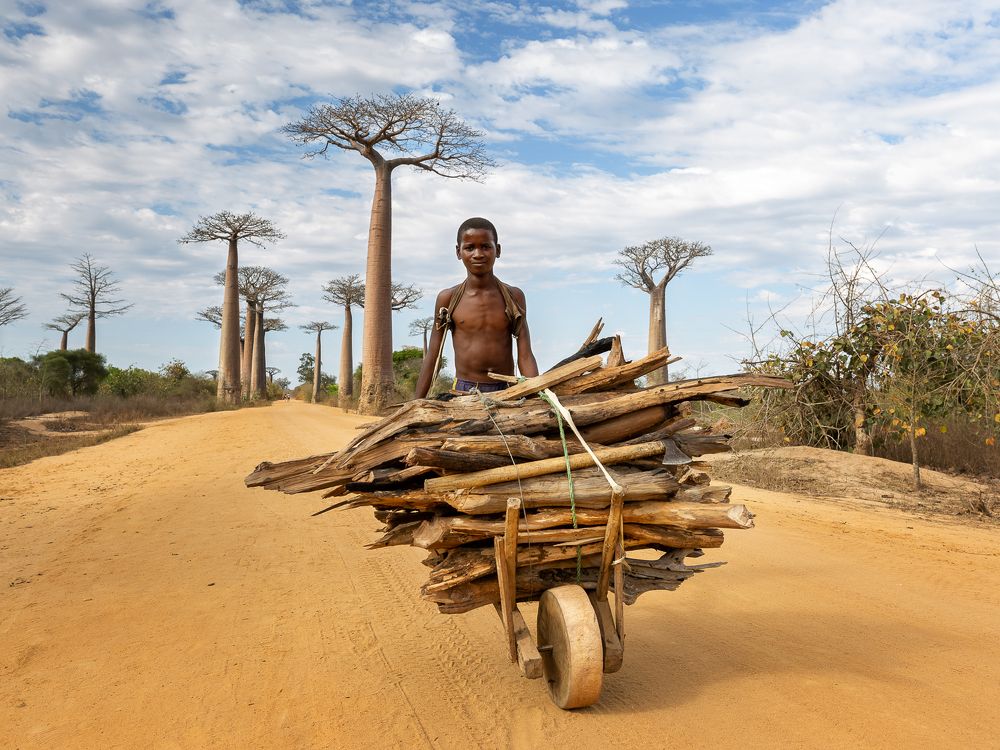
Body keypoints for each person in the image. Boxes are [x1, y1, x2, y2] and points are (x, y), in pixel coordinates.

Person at [414, 217, 539, 398]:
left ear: (498, 250)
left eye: (486, 246)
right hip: (463, 392)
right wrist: (416, 404)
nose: (478, 254)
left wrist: (536, 396)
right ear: (458, 252)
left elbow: (526, 355)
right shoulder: (448, 299)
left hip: (507, 390)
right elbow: (433, 356)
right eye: (470, 247)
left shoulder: (514, 296)